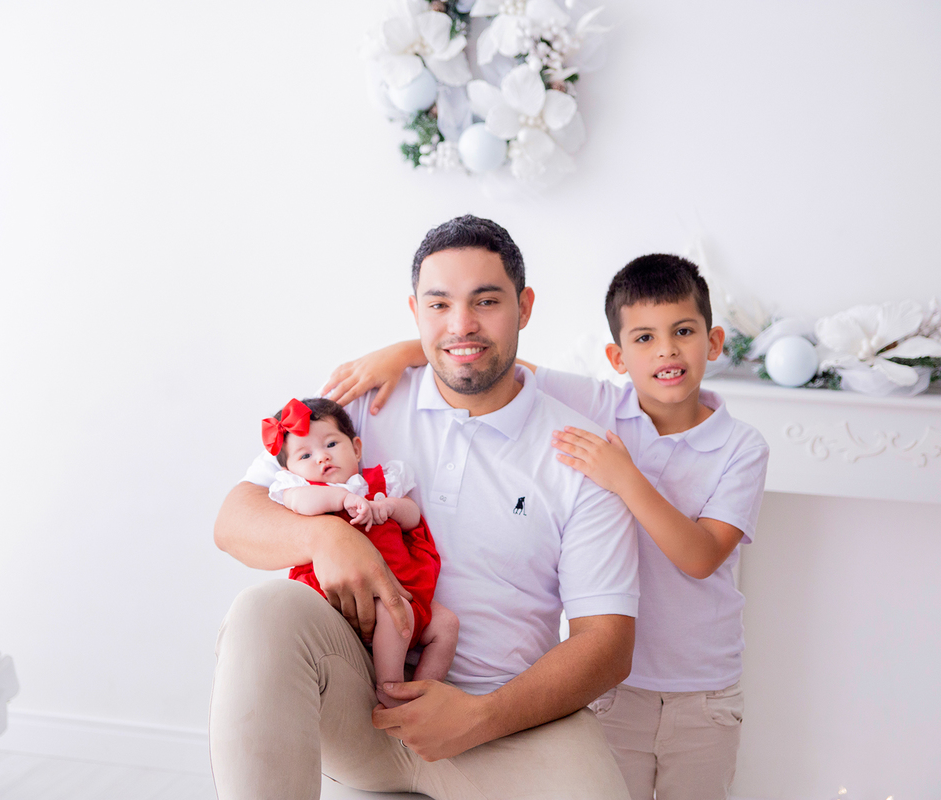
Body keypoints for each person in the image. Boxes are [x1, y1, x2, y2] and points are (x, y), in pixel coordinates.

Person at [210, 215, 640, 800]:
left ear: (525, 306)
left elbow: (608, 644)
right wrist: (327, 539)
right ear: (415, 311)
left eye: (486, 301)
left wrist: (481, 716)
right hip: (358, 699)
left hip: (507, 718)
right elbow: (234, 520)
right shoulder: (355, 411)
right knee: (266, 609)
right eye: (439, 305)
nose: (461, 325)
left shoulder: (581, 453)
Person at [328, 253, 769, 800]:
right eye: (644, 339)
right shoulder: (602, 405)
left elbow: (702, 557)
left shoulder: (742, 446)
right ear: (616, 355)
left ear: (715, 341)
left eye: (683, 332)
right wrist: (401, 353)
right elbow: (496, 362)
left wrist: (625, 478)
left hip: (703, 689)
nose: (667, 351)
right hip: (617, 691)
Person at [261, 396, 458, 709]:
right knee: (396, 614)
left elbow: (413, 516)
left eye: (331, 444)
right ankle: (390, 690)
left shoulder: (381, 482)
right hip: (341, 599)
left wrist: (389, 507)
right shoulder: (303, 490)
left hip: (401, 587)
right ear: (290, 470)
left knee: (446, 624)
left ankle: (424, 690)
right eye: (306, 454)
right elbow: (300, 504)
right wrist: (339, 501)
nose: (322, 458)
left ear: (356, 448)